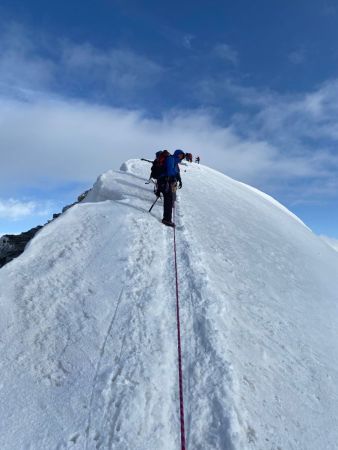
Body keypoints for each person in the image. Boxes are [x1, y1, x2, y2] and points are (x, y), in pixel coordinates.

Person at [156, 149, 185, 227]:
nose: (181, 156)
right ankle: (166, 219)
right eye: (180, 155)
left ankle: (167, 217)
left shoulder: (175, 161)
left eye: (182, 156)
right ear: (177, 154)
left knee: (169, 199)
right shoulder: (171, 159)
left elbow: (176, 172)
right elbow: (169, 172)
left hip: (169, 182)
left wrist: (179, 179)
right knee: (168, 200)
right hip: (165, 182)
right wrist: (174, 176)